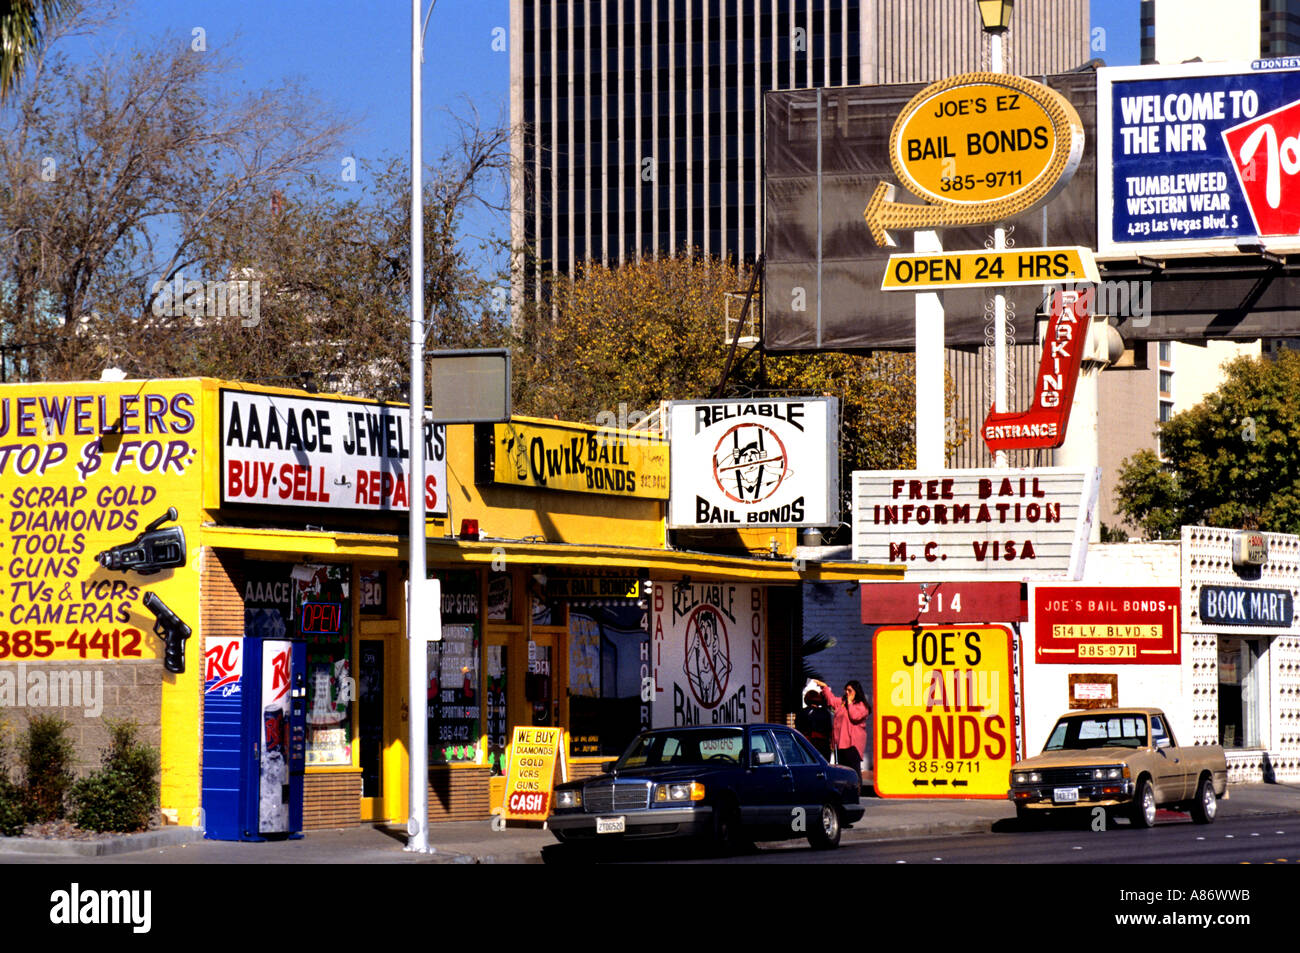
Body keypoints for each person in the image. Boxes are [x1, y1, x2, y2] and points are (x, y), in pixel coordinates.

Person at [815, 678, 870, 776]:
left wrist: (849, 703)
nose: (847, 692)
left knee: (854, 771)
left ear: (856, 692)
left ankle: (857, 790)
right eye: (846, 690)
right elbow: (831, 701)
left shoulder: (861, 706)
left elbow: (855, 716)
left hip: (852, 745)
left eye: (850, 690)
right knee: (843, 772)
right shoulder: (842, 703)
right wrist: (825, 687)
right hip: (840, 743)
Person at [794, 689, 833, 759]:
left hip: (805, 744)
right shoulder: (825, 713)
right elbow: (829, 730)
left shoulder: (801, 712)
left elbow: (798, 728)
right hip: (822, 746)